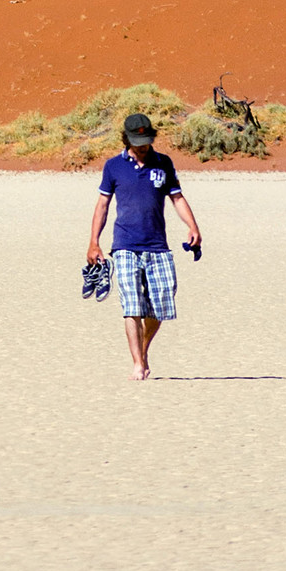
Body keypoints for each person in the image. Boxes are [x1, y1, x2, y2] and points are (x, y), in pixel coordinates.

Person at [87, 111, 202, 379]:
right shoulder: (113, 166)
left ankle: (144, 347)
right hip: (125, 244)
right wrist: (94, 242)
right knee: (132, 305)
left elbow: (177, 198)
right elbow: (102, 204)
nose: (142, 146)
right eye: (137, 142)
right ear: (126, 139)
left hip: (158, 246)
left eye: (147, 141)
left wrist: (192, 226)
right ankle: (138, 363)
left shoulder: (163, 163)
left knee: (161, 305)